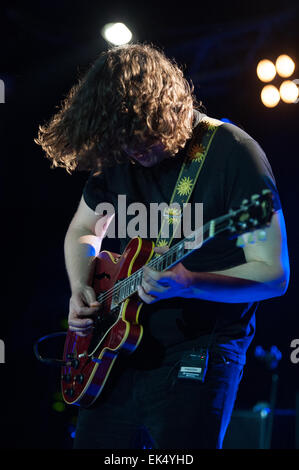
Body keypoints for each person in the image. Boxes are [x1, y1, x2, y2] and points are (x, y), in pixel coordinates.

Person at [35, 43, 290, 449]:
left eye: (143, 139)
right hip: (117, 350)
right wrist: (81, 285)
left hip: (201, 346)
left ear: (167, 109)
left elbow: (274, 274)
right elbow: (83, 229)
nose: (135, 152)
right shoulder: (118, 151)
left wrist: (191, 282)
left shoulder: (234, 154)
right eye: (124, 145)